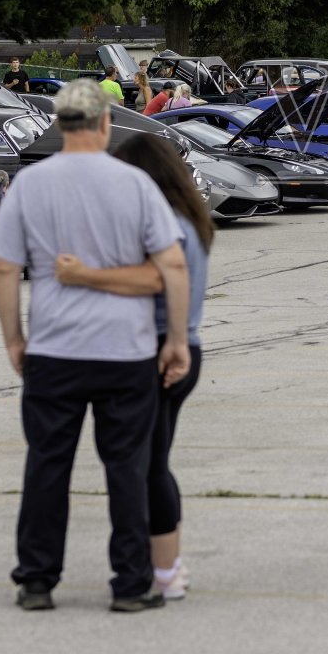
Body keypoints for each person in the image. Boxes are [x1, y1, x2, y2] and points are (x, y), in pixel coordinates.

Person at [0, 79, 191, 613]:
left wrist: (15, 339)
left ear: (57, 124)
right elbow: (171, 265)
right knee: (125, 467)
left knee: (47, 464)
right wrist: (175, 341)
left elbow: (6, 267)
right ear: (104, 124)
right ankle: (130, 583)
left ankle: (36, 579)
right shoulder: (136, 185)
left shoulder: (31, 185)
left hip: (55, 349)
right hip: (126, 350)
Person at [55, 133, 212, 602]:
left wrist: (84, 276)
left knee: (147, 466)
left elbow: (150, 281)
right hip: (184, 345)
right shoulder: (191, 218)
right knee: (153, 461)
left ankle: (166, 572)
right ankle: (168, 566)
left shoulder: (166, 224)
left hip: (163, 346)